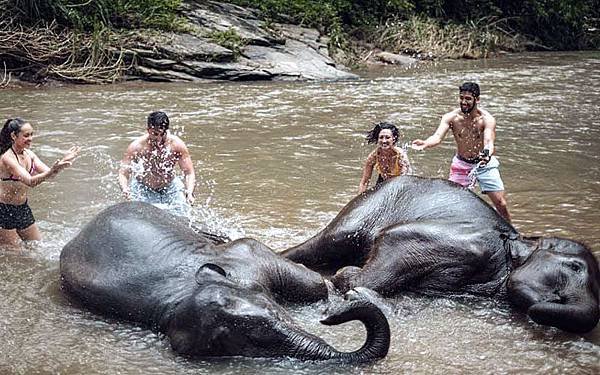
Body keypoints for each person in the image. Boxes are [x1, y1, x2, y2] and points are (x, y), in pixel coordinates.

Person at [411, 82, 511, 222]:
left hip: (484, 164)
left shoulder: (487, 119)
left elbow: (489, 142)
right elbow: (438, 137)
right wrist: (426, 143)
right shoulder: (451, 118)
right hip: (461, 165)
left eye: (468, 99)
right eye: (461, 98)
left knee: (501, 203)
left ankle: (512, 235)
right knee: (451, 204)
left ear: (477, 99)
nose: (464, 102)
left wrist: (487, 153)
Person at [0, 118, 80, 245]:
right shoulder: (7, 158)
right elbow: (30, 182)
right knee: (14, 255)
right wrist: (52, 170)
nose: (30, 138)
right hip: (4, 210)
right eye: (26, 135)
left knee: (37, 246)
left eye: (32, 134)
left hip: (22, 208)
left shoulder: (30, 154)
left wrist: (61, 163)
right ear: (13, 136)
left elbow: (50, 175)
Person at [118, 111, 195, 217]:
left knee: (183, 217)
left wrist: (189, 192)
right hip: (144, 188)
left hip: (170, 188)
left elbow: (188, 172)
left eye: (162, 134)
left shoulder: (177, 145)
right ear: (148, 130)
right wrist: (125, 189)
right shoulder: (137, 147)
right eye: (155, 134)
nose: (158, 139)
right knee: (140, 218)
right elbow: (123, 173)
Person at [358, 121, 412, 194]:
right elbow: (364, 182)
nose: (384, 141)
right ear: (377, 139)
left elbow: (404, 178)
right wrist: (360, 200)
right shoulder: (373, 156)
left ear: (393, 139)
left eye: (387, 137)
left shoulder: (400, 155)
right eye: (381, 137)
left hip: (400, 182)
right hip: (383, 181)